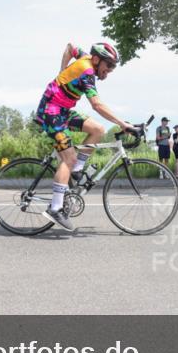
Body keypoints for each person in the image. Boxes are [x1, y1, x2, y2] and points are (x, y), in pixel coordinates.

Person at [34, 42, 136, 230]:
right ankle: (55, 208)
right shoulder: (87, 73)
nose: (110, 71)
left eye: (113, 67)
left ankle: (77, 169)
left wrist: (62, 72)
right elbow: (97, 105)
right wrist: (123, 124)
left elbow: (69, 46)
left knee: (98, 130)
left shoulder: (85, 56)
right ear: (97, 60)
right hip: (51, 111)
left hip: (63, 110)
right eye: (109, 66)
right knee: (68, 158)